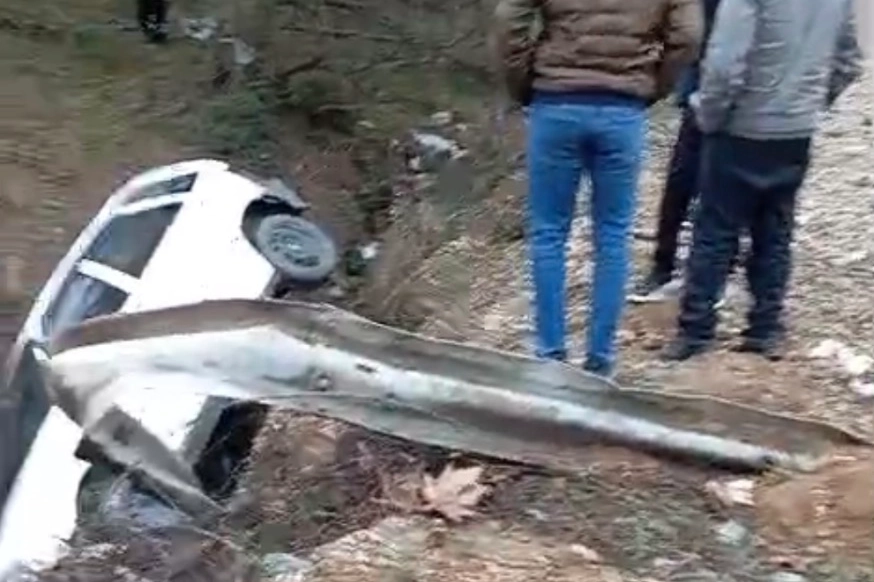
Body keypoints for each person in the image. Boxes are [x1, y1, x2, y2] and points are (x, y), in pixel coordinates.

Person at [494, 0, 703, 376]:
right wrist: (654, 85)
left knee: (549, 232)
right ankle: (600, 361)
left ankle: (549, 356)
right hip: (623, 108)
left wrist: (523, 82)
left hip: (556, 103)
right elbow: (688, 35)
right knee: (613, 235)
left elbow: (510, 19)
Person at [663, 0, 863, 362]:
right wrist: (812, 104)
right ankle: (765, 328)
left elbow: (725, 65)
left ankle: (696, 330)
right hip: (796, 130)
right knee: (776, 230)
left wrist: (709, 114)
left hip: (741, 127)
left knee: (715, 231)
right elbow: (848, 61)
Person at [631, 0, 723, 302]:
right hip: (705, 83)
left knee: (713, 182)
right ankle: (665, 263)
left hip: (728, 84)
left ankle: (705, 268)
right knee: (683, 179)